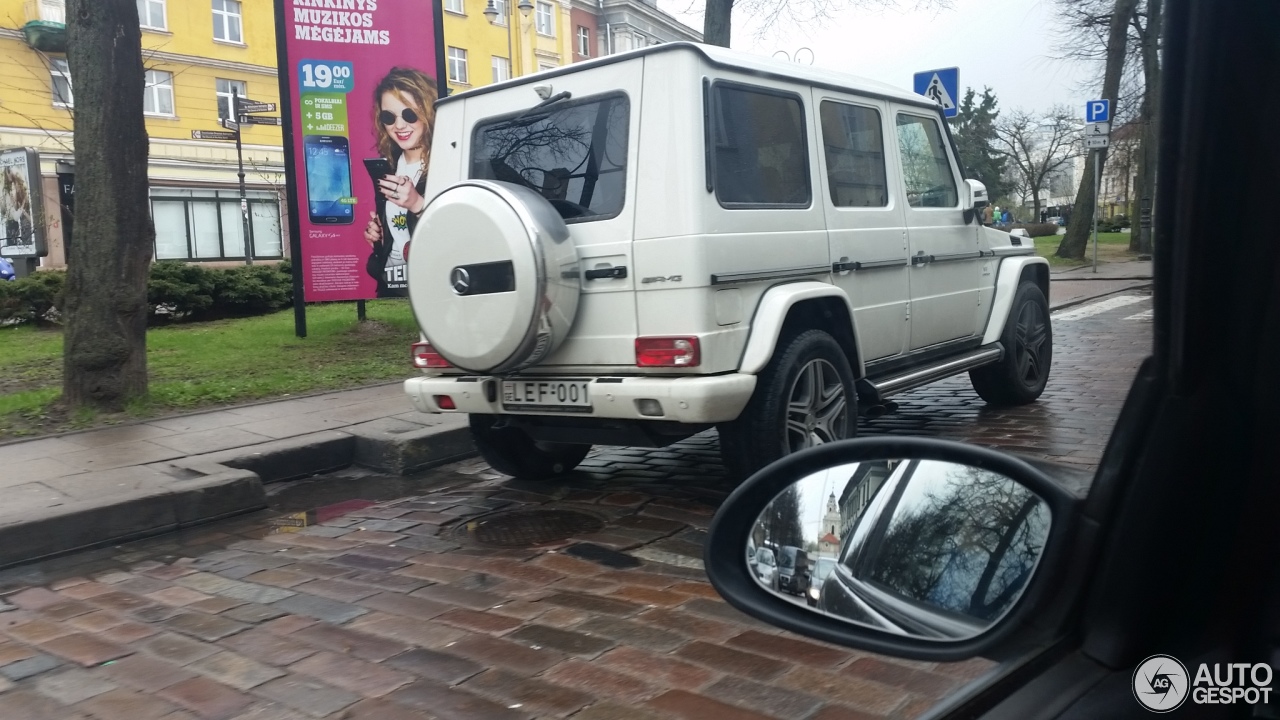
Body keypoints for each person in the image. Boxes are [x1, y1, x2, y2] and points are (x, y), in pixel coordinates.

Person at [364, 67, 438, 298]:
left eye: (409, 114)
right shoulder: (388, 168)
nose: (399, 125)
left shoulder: (448, 161)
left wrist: (418, 204)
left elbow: (460, 234)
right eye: (389, 117)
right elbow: (398, 232)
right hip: (396, 285)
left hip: (436, 287)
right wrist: (377, 235)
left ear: (428, 112)